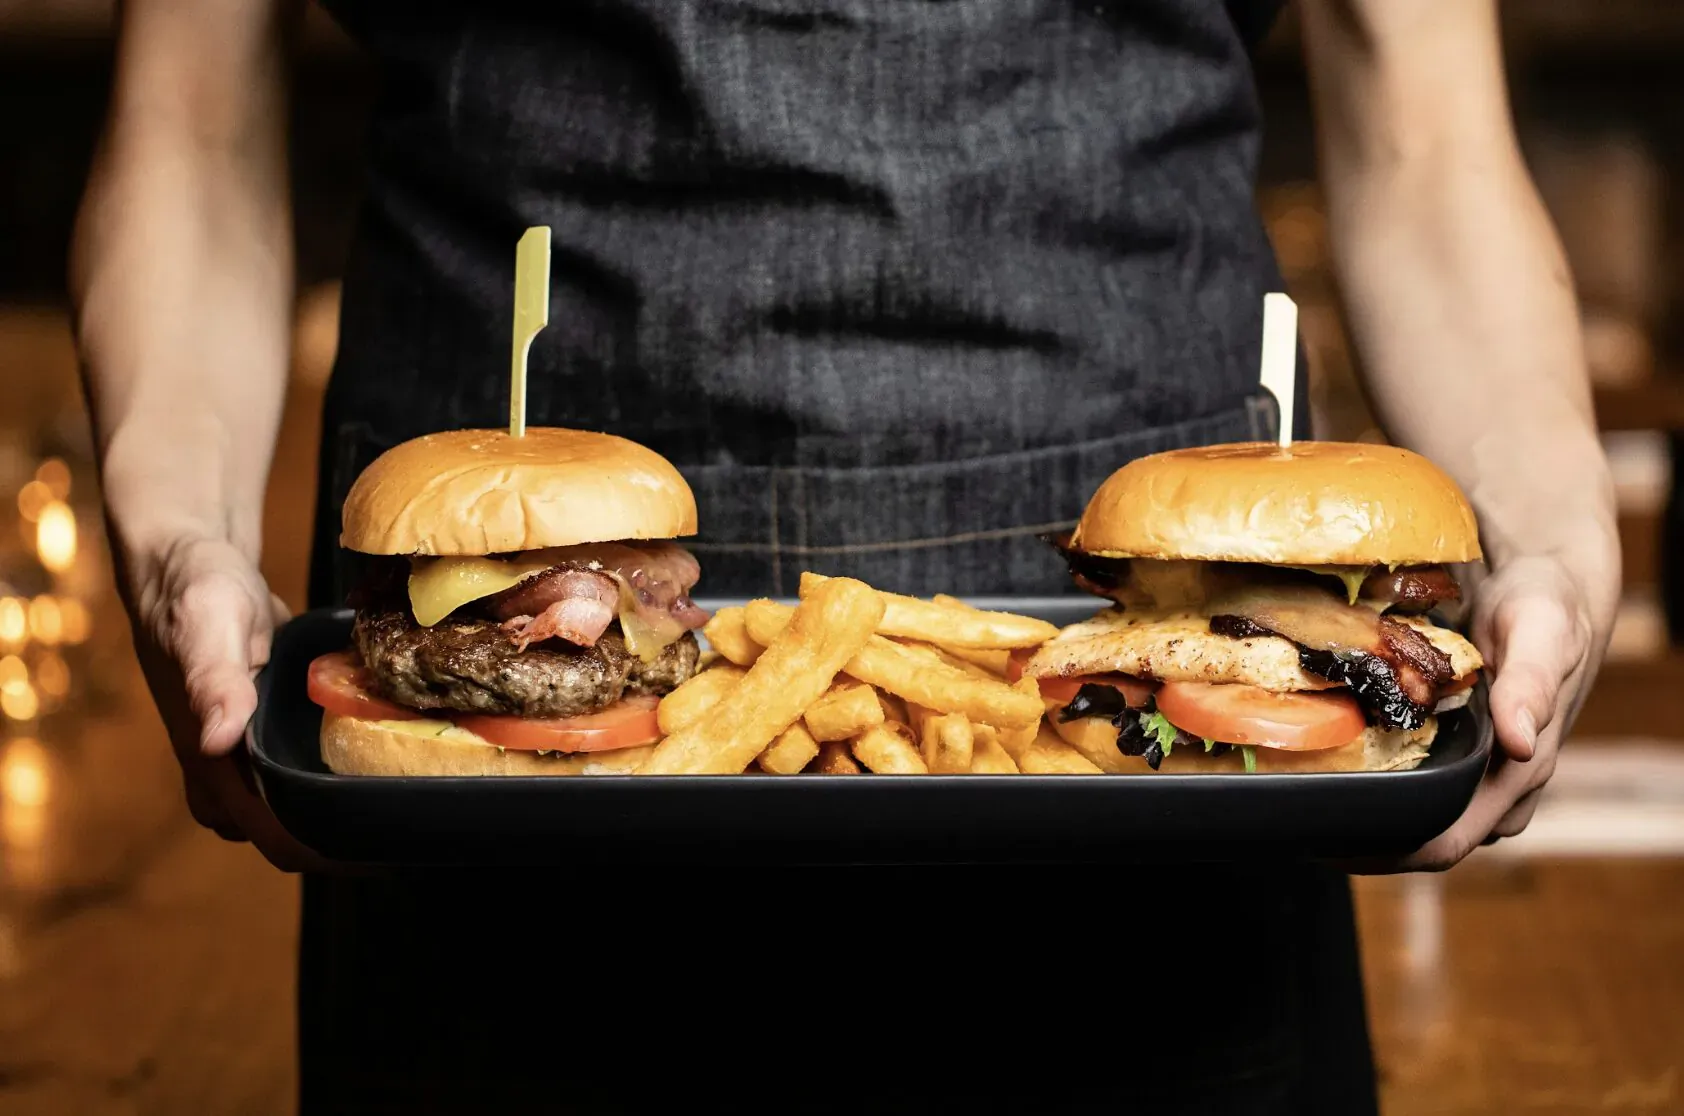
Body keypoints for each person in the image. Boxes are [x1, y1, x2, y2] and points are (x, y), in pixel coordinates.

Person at [70, 0, 1618, 1112]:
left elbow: (1424, 137)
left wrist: (1549, 532)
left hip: (1172, 829)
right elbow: (191, 114)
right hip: (488, 816)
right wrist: (174, 532)